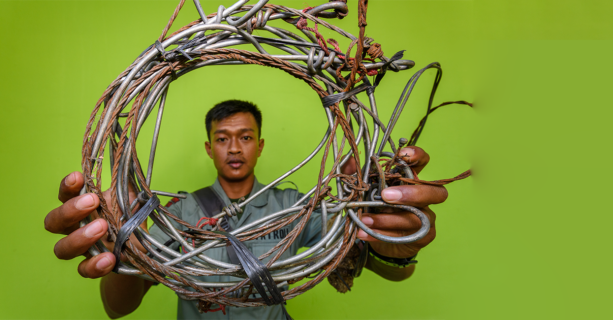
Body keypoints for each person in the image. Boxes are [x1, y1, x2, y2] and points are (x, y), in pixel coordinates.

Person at [44, 100, 447, 319]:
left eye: (245, 137)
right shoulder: (177, 213)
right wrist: (120, 250)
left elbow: (366, 248)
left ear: (260, 144)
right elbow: (118, 308)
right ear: (209, 148)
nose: (234, 148)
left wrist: (397, 245)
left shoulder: (294, 207)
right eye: (222, 139)